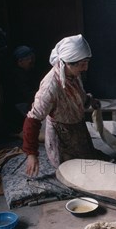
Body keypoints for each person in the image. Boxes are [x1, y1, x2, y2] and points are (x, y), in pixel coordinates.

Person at [22, 34, 108, 177]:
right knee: (70, 172)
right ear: (68, 63)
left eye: (87, 62)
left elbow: (76, 96)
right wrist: (31, 154)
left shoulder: (73, 74)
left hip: (78, 128)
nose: (86, 68)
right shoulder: (51, 87)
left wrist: (88, 101)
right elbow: (33, 119)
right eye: (82, 64)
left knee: (91, 164)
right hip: (61, 134)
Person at [3, 45, 41, 132]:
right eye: (28, 59)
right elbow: (26, 94)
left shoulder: (28, 72)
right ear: (20, 61)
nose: (31, 61)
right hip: (20, 106)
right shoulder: (17, 76)